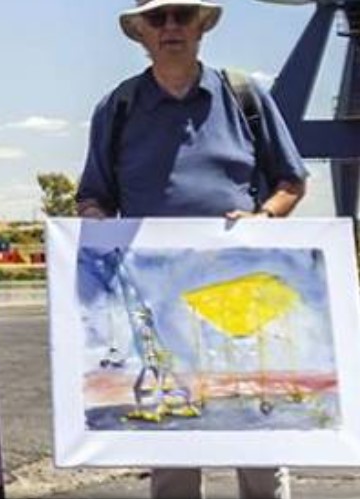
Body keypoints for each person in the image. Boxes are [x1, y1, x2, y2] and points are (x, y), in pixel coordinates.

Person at [75, 1, 306, 498]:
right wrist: (101, 232)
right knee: (173, 461)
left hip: (241, 301)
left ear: (201, 26)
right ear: (140, 33)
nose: (171, 26)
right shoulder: (117, 108)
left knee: (261, 450)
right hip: (157, 306)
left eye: (182, 15)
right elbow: (93, 195)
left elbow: (291, 181)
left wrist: (263, 218)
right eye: (158, 19)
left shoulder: (244, 95)